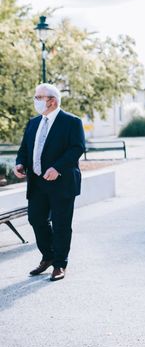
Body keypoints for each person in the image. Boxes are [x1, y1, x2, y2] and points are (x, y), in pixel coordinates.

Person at [14, 83, 85, 281]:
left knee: (62, 224)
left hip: (61, 182)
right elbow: (24, 149)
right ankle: (49, 255)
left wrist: (57, 168)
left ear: (51, 100)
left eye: (38, 97)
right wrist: (20, 164)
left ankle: (60, 264)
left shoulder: (71, 122)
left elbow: (77, 148)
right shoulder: (33, 123)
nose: (35, 100)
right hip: (37, 183)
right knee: (36, 219)